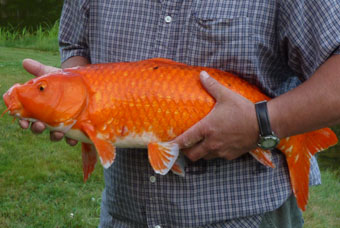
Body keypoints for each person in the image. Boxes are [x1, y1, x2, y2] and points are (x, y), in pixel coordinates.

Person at [20, 0, 340, 227]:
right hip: (124, 214)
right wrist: (66, 99)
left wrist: (264, 122)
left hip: (247, 217)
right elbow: (75, 48)